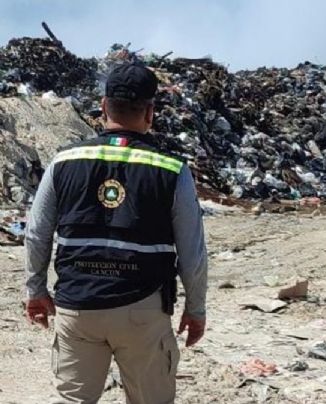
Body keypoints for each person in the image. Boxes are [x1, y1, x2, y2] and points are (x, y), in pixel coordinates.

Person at [24, 63, 208, 403]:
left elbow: (36, 233)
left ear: (104, 106)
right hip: (143, 308)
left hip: (77, 307)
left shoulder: (63, 161)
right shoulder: (172, 169)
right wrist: (196, 309)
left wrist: (35, 289)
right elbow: (192, 253)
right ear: (150, 112)